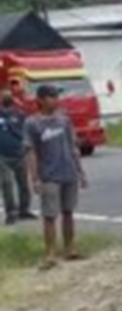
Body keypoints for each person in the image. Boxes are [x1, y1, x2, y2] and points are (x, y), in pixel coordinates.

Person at [23, 85, 86, 267]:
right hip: (49, 175)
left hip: (68, 172)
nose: (56, 99)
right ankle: (50, 252)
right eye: (51, 96)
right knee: (50, 215)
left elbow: (73, 147)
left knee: (69, 212)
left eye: (57, 96)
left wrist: (81, 172)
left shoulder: (64, 121)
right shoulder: (32, 123)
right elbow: (31, 152)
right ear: (41, 100)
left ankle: (70, 248)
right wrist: (34, 178)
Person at [1, 90, 35, 224]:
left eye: (9, 96)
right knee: (6, 184)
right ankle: (11, 213)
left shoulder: (20, 115)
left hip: (19, 153)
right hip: (2, 156)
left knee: (24, 184)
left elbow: (27, 131)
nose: (6, 98)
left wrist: (27, 147)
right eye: (4, 96)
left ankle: (24, 210)